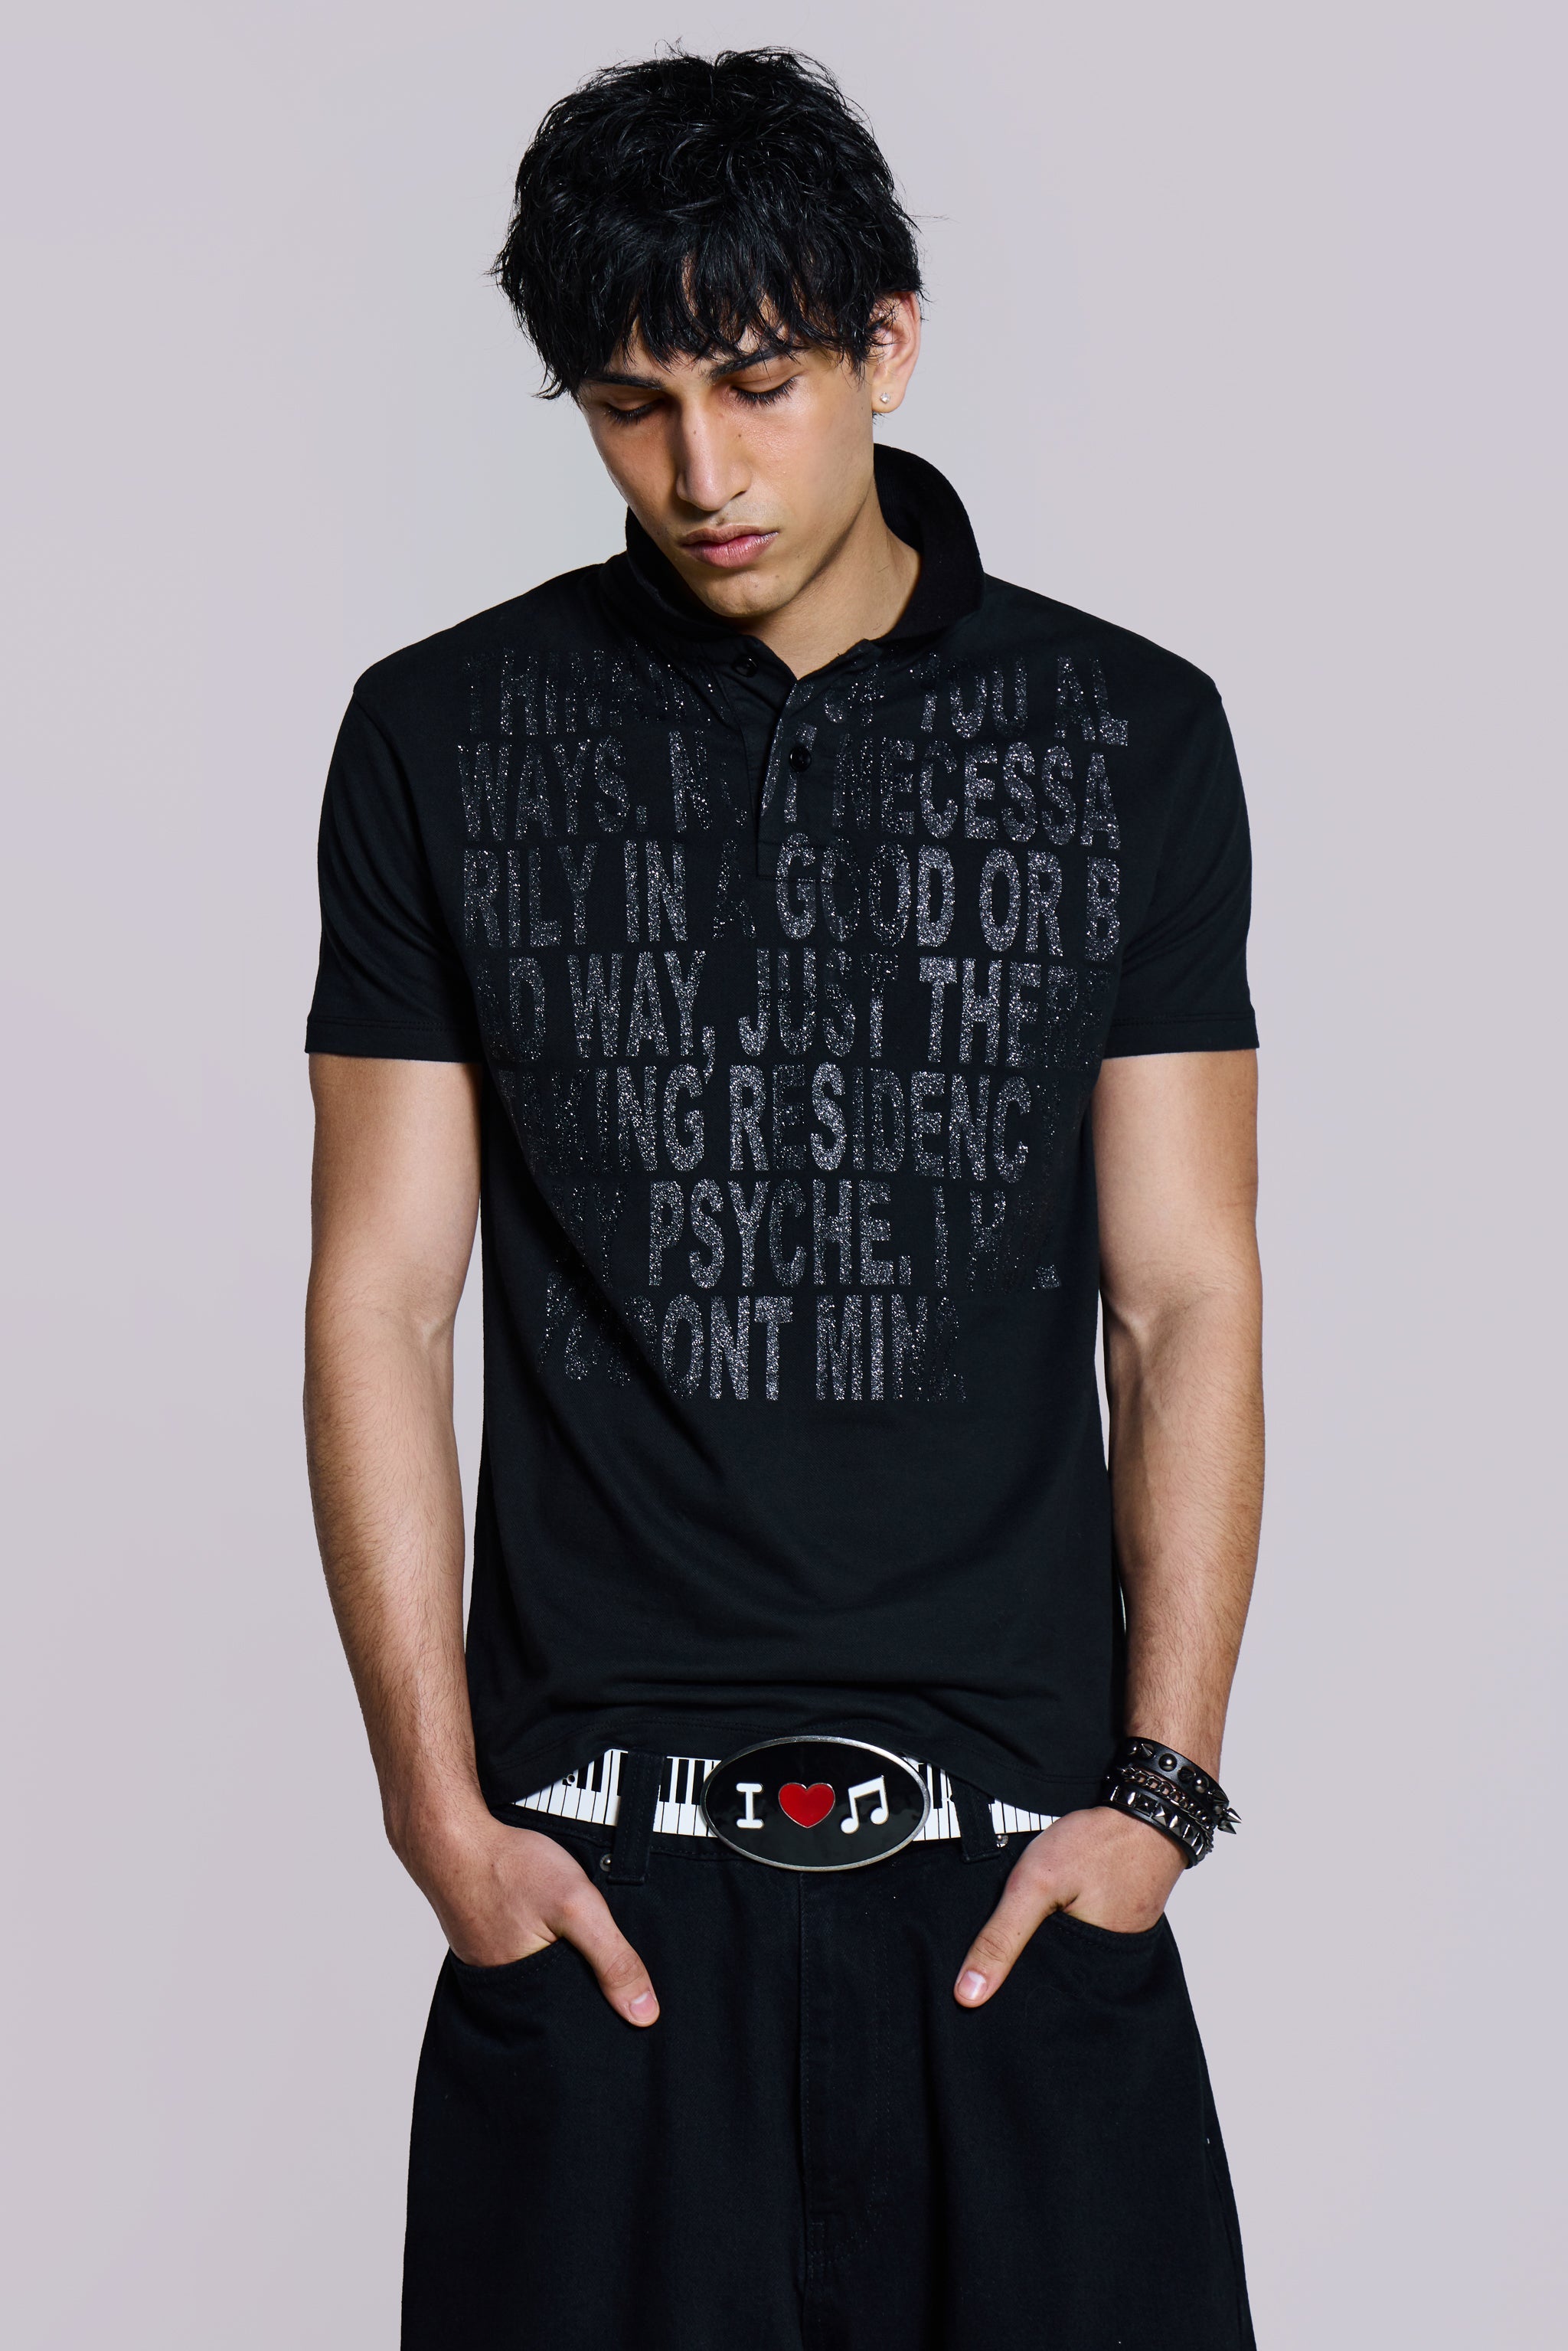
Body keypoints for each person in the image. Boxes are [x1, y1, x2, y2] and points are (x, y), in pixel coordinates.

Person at [304, 46, 1263, 2351]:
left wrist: (1162, 1796)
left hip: (1013, 1877)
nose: (704, 475)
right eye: (630, 407)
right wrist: (436, 1813)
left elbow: (1185, 1295)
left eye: (758, 385)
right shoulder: (441, 734)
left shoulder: (1127, 734)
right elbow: (380, 1299)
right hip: (602, 1890)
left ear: (887, 344)